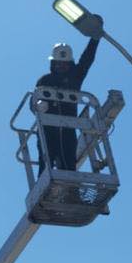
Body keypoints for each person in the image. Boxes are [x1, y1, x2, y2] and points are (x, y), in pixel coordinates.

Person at [35, 22, 103, 173]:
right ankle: (45, 190)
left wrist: (95, 38)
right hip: (47, 130)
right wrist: (38, 106)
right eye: (58, 63)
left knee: (68, 164)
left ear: (70, 64)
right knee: (46, 165)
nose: (61, 66)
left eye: (64, 64)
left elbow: (87, 59)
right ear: (53, 63)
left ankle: (72, 192)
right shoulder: (45, 81)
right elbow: (34, 102)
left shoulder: (75, 77)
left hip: (68, 129)